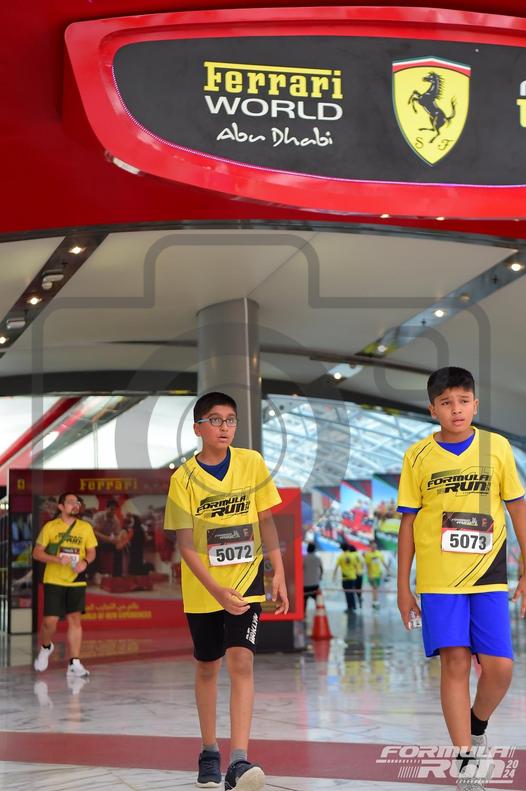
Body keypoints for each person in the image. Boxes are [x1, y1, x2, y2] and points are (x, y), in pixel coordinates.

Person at [397, 366, 526, 790]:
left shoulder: (497, 447)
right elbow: (407, 524)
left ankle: (477, 724)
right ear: (432, 409)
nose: (456, 409)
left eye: (464, 401)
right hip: (438, 580)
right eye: (446, 402)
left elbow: (517, 509)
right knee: (454, 662)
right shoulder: (417, 456)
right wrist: (403, 588)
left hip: (488, 575)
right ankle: (466, 760)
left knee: (500, 668)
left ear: (475, 404)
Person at [164, 392, 288, 791]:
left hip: (247, 582)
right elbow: (185, 545)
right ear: (198, 428)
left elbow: (265, 521)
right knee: (208, 665)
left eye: (231, 420)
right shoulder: (183, 479)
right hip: (204, 588)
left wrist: (278, 570)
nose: (224, 427)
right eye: (215, 420)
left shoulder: (251, 463)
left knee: (242, 662)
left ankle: (238, 760)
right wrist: (216, 589)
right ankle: (208, 751)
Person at [33, 492, 97, 677]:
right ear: (61, 507)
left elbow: (91, 552)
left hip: (76, 579)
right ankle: (46, 647)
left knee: (75, 619)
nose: (75, 505)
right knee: (49, 622)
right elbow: (37, 553)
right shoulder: (50, 527)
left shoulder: (85, 527)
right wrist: (56, 559)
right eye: (70, 502)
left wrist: (85, 562)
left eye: (77, 502)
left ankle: (74, 662)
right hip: (54, 579)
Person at [333, 543, 357, 612]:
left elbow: (336, 567)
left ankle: (349, 607)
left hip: (345, 578)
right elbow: (356, 566)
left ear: (342, 549)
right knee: (352, 591)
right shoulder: (352, 556)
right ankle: (354, 606)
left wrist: (334, 576)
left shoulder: (340, 557)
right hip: (353, 577)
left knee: (347, 593)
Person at [364, 540, 386, 610]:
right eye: (372, 545)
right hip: (372, 575)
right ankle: (375, 602)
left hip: (378, 574)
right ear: (370, 546)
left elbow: (383, 562)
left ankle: (374, 602)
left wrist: (387, 570)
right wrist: (369, 574)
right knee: (375, 588)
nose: (374, 546)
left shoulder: (379, 554)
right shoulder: (368, 555)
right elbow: (367, 566)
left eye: (374, 545)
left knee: (375, 588)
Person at [303, 541, 323, 613]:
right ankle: (318, 613)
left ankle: (304, 613)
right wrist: (320, 577)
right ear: (314, 549)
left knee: (304, 600)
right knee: (317, 599)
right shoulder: (318, 558)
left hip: (305, 583)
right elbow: (321, 569)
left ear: (307, 549)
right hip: (315, 583)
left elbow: (300, 569)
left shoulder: (303, 558)